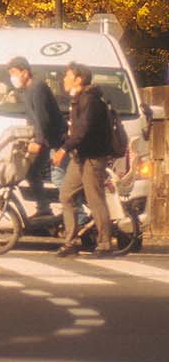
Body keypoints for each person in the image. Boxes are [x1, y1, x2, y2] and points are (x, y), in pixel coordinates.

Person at [51, 63, 113, 256]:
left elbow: (83, 131)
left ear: (78, 79)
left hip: (93, 157)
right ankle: (71, 242)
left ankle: (104, 244)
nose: (64, 79)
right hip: (80, 157)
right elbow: (75, 130)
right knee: (66, 195)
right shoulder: (78, 99)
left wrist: (64, 148)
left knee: (95, 199)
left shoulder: (90, 100)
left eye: (67, 75)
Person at [6, 56, 66, 213]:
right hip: (45, 139)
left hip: (54, 141)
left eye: (14, 73)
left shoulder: (37, 88)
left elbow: (42, 117)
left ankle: (75, 211)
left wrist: (39, 142)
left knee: (59, 178)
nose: (12, 78)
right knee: (32, 172)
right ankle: (44, 209)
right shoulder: (28, 90)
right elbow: (33, 119)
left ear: (25, 72)